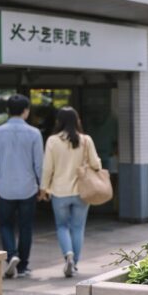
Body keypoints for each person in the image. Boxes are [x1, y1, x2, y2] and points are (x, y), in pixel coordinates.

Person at [0, 94, 44, 278]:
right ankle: (23, 266)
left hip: (5, 187)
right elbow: (39, 164)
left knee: (5, 225)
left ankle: (11, 255)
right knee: (26, 227)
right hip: (28, 187)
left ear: (7, 111)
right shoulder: (34, 133)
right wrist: (43, 186)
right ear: (26, 111)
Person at [40, 106, 101, 277]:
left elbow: (47, 168)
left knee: (62, 226)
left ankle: (68, 254)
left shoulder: (52, 141)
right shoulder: (86, 140)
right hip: (82, 192)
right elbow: (96, 164)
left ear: (58, 121)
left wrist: (43, 188)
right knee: (78, 228)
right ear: (77, 120)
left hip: (59, 192)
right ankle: (74, 264)